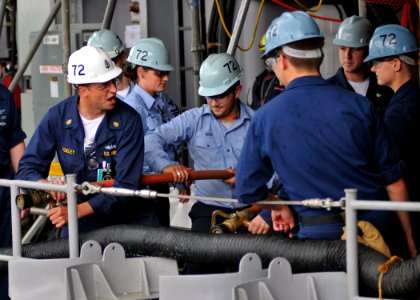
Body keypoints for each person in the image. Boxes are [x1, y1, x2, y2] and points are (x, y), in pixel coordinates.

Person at [235, 11, 416, 258]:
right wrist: (408, 237)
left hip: (319, 246)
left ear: (283, 60)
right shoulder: (361, 107)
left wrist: (278, 205)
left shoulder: (266, 117)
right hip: (379, 241)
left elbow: (247, 189)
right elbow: (394, 182)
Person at [144, 53, 272, 273]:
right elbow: (151, 139)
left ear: (237, 91)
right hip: (209, 211)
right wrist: (167, 166)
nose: (213, 102)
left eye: (220, 95)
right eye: (208, 96)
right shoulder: (194, 119)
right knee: (196, 273)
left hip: (253, 210)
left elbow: (278, 167)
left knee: (263, 272)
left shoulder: (258, 122)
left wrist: (248, 180)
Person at [16, 46, 158, 237]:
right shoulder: (57, 117)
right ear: (83, 90)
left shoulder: (129, 119)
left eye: (113, 82)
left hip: (128, 217)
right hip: (81, 219)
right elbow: (27, 168)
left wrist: (76, 211)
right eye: (103, 86)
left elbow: (125, 185)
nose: (114, 90)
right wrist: (46, 184)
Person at [364, 24, 420, 247]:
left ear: (396, 64)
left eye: (377, 61)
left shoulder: (400, 112)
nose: (373, 68)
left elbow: (387, 168)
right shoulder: (411, 98)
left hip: (412, 206)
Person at [123, 38, 182, 227]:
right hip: (144, 189)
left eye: (166, 73)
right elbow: (142, 151)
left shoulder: (161, 100)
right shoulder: (133, 108)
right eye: (160, 73)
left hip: (160, 184)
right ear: (141, 72)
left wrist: (177, 177)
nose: (166, 78)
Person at [327, 15, 393, 116]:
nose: (347, 56)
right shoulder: (327, 90)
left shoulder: (386, 86)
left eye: (355, 48)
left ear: (369, 49)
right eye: (343, 48)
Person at [0, 83, 26, 300]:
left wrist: (23, 186)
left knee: (8, 255)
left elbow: (15, 142)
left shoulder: (3, 95)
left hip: (5, 190)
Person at [88, 29, 134, 99]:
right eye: (99, 65)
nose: (106, 69)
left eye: (109, 63)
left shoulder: (143, 92)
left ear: (123, 58)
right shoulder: (93, 101)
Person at [250, 34, 284, 110]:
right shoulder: (258, 81)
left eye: (269, 54)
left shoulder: (285, 81)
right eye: (263, 54)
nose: (266, 59)